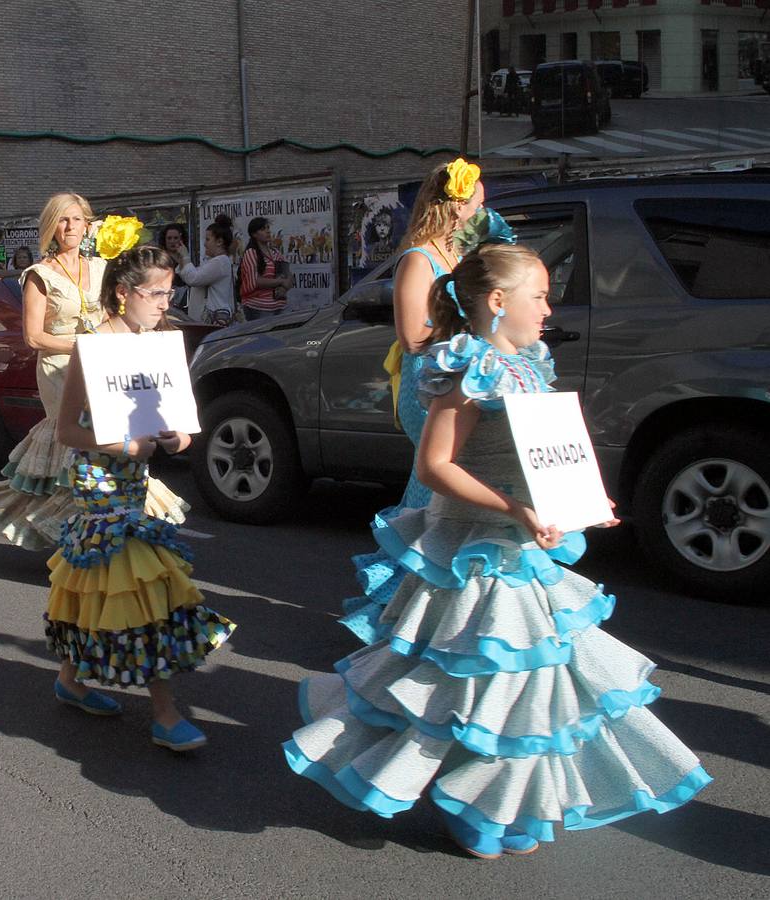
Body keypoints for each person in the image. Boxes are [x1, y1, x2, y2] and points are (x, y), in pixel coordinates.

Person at [283, 243, 709, 858]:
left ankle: (493, 799)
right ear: (497, 301)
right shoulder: (467, 366)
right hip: (470, 547)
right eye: (538, 294)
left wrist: (580, 503)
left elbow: (547, 455)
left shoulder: (529, 363)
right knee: (454, 686)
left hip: (523, 545)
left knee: (526, 681)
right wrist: (514, 508)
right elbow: (433, 466)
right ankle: (466, 800)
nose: (548, 307)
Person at [48, 241, 234, 750]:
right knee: (143, 586)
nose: (163, 303)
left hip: (135, 482)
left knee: (101, 585)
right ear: (124, 293)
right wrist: (122, 443)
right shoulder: (94, 348)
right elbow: (66, 430)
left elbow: (182, 427)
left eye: (168, 293)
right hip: (99, 484)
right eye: (155, 294)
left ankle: (69, 679)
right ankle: (166, 712)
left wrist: (177, 438)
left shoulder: (162, 344)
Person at [0, 192, 188, 549]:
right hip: (60, 366)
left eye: (76, 219)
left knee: (115, 436)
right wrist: (85, 343)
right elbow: (33, 336)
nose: (70, 226)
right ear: (51, 227)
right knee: (76, 445)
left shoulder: (104, 267)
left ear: (87, 225)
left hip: (105, 362)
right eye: (62, 219)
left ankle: (107, 520)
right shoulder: (39, 274)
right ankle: (79, 530)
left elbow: (118, 315)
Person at [340, 158, 485, 643]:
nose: (485, 209)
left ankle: (427, 614)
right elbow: (411, 335)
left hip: (460, 383)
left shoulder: (459, 257)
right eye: (479, 201)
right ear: (457, 205)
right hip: (430, 385)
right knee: (435, 492)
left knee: (443, 496)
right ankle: (396, 615)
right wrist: (465, 334)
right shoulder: (418, 260)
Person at [177, 214, 235, 324]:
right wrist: (181, 259)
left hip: (212, 318)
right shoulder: (215, 261)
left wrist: (185, 256)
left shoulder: (220, 262)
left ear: (219, 242)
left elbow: (194, 279)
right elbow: (191, 275)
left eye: (208, 239)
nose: (204, 244)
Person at [238, 217, 289, 320]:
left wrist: (285, 286)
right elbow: (256, 281)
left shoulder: (275, 253)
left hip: (279, 307)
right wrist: (280, 281)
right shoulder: (251, 253)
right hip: (259, 308)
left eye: (268, 228)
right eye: (263, 229)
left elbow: (288, 275)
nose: (268, 231)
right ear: (254, 234)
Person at [158, 222, 189, 308]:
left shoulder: (186, 255)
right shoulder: (161, 258)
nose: (172, 241)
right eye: (169, 238)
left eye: (176, 238)